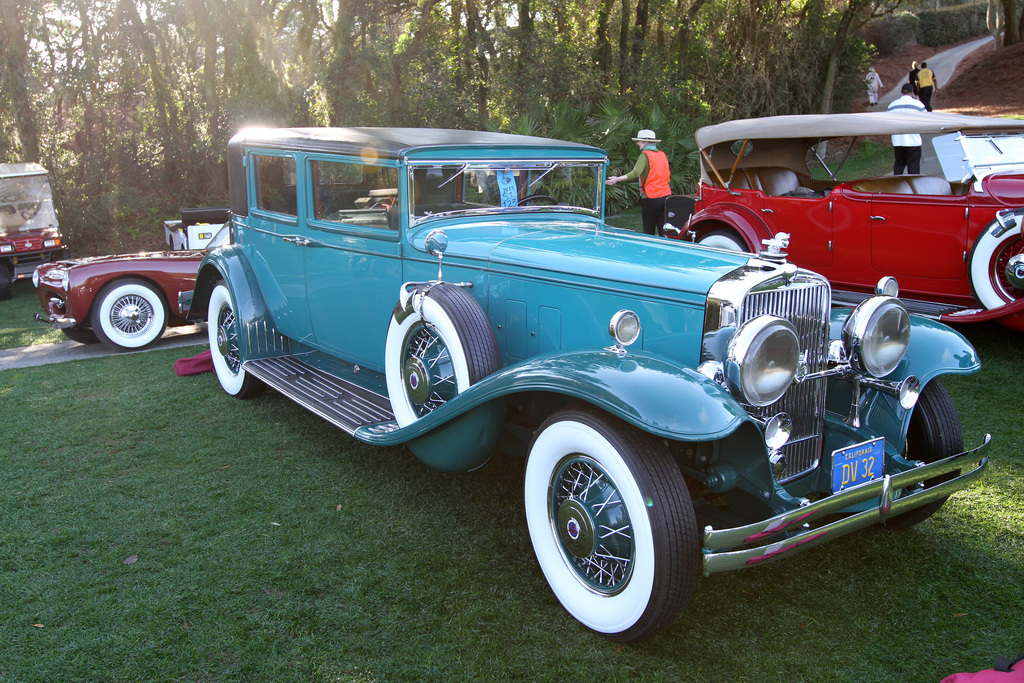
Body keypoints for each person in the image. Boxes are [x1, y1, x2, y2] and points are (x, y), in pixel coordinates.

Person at [606, 129, 672, 236]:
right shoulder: (662, 154)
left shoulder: (645, 155)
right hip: (666, 197)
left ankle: (648, 252)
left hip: (651, 197)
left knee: (648, 231)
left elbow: (635, 173)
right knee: (663, 231)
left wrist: (617, 179)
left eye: (639, 141)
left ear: (646, 142)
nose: (637, 143)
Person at [887, 83, 928, 175]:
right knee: (913, 167)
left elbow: (888, 121)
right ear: (912, 92)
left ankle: (897, 186)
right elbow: (926, 118)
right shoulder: (917, 104)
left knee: (899, 165)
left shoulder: (892, 105)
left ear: (901, 93)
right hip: (913, 141)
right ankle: (913, 187)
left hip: (898, 141)